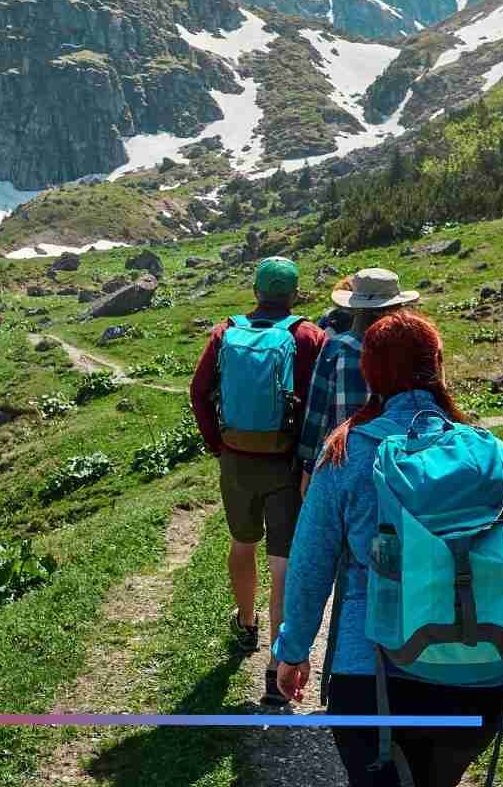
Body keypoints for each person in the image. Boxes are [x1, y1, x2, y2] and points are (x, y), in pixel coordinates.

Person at [272, 311, 503, 787]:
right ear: (438, 366)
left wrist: (293, 651)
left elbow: (310, 565)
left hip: (369, 675)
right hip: (476, 675)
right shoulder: (490, 454)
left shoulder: (346, 453)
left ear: (370, 372)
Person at [189, 256, 326, 706]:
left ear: (256, 291)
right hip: (286, 464)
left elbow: (199, 390)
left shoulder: (226, 331)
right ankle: (275, 666)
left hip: (236, 459)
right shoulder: (306, 336)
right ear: (294, 293)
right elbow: (316, 404)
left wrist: (218, 444)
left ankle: (246, 624)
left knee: (241, 543)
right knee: (282, 563)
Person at [299, 269, 416, 498]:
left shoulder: (337, 348)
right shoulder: (412, 346)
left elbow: (317, 412)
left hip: (345, 459)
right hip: (403, 460)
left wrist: (308, 466)